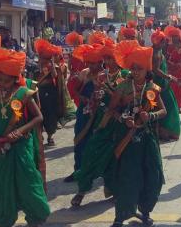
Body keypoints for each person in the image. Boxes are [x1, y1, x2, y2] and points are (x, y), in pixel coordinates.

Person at [0, 48, 50, 227]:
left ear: (15, 77)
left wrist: (19, 131)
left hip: (20, 146)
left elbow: (38, 118)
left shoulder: (24, 93)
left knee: (27, 184)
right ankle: (3, 226)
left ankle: (34, 225)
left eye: (7, 81)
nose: (3, 84)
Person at [107, 43, 166, 227]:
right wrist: (124, 119)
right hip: (127, 140)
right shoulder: (122, 87)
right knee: (128, 179)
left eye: (139, 68)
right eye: (133, 68)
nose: (135, 71)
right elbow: (112, 110)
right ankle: (118, 221)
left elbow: (163, 110)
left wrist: (152, 116)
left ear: (147, 69)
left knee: (153, 175)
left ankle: (145, 212)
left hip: (148, 139)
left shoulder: (152, 88)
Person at [71, 40, 129, 206]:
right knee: (90, 155)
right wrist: (97, 99)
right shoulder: (101, 77)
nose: (108, 62)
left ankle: (113, 189)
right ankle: (81, 191)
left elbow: (126, 99)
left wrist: (112, 96)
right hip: (102, 121)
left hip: (118, 122)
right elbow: (97, 99)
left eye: (111, 58)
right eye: (106, 58)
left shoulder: (126, 76)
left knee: (115, 157)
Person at [64, 43, 104, 182]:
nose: (92, 66)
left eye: (95, 63)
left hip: (99, 113)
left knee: (97, 141)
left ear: (101, 62)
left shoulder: (105, 75)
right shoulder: (84, 73)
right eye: (89, 63)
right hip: (84, 111)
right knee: (80, 141)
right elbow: (75, 89)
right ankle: (78, 170)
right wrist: (81, 97)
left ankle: (97, 170)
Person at [34, 39, 66, 146]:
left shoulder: (54, 67)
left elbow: (55, 76)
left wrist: (52, 65)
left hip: (51, 95)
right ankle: (40, 135)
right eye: (41, 57)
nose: (42, 60)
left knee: (50, 116)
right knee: (37, 114)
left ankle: (50, 136)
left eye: (45, 58)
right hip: (38, 94)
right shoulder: (35, 67)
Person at [151, 30, 181, 141]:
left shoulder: (156, 51)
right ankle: (164, 132)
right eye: (163, 41)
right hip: (159, 85)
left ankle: (163, 132)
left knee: (162, 107)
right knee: (167, 107)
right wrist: (169, 77)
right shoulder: (156, 54)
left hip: (160, 84)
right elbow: (155, 70)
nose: (165, 43)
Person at [165, 26, 181, 112]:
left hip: (180, 71)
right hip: (171, 71)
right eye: (173, 36)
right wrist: (172, 64)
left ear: (179, 37)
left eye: (176, 36)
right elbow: (166, 59)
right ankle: (172, 107)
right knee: (172, 89)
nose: (174, 38)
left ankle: (178, 106)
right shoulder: (169, 47)